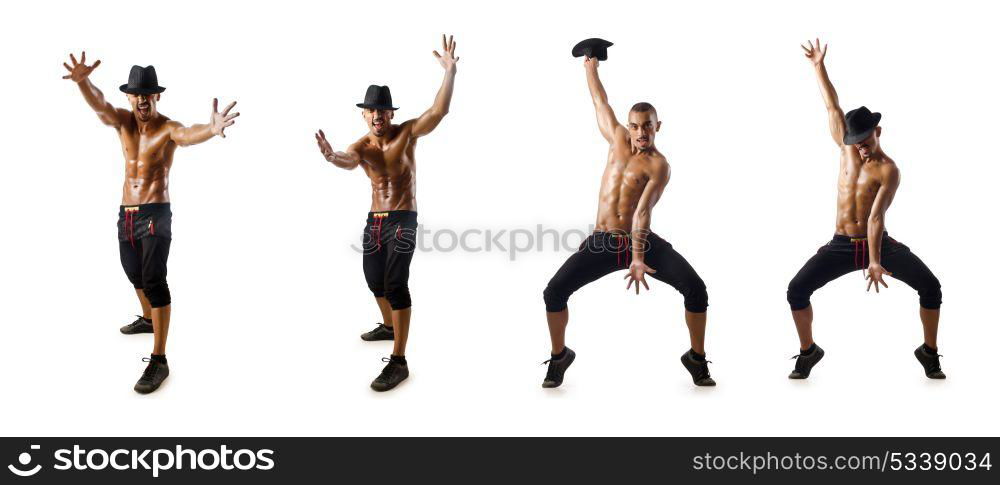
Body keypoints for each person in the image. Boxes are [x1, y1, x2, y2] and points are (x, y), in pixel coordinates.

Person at [540, 41, 714, 389]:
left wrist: (637, 257)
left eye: (647, 126)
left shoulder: (659, 165)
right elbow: (599, 102)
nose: (639, 133)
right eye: (635, 125)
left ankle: (696, 358)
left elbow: (642, 214)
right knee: (553, 292)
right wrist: (590, 67)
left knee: (696, 289)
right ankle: (559, 356)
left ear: (657, 126)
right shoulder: (616, 139)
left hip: (641, 241)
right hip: (603, 241)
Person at [64, 52, 239, 393]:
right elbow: (100, 106)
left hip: (155, 214)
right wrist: (84, 82)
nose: (142, 99)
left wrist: (212, 128)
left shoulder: (168, 128)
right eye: (136, 93)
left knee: (154, 280)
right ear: (129, 97)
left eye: (147, 93)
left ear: (157, 95)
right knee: (133, 273)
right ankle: (147, 319)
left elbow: (189, 134)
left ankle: (159, 360)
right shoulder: (123, 122)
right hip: (126, 213)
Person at [786, 39, 944, 380]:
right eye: (856, 146)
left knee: (931, 287)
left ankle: (929, 352)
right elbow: (832, 106)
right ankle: (807, 351)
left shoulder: (889, 169)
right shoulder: (846, 150)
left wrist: (874, 260)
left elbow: (875, 217)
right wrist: (818, 67)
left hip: (879, 244)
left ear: (879, 133)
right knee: (796, 290)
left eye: (867, 144)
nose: (862, 152)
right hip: (841, 244)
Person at [315, 35, 459, 392]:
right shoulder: (360, 146)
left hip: (402, 219)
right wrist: (332, 157)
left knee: (395, 284)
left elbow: (438, 111)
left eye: (383, 110)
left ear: (391, 113)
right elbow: (348, 161)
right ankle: (389, 324)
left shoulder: (406, 133)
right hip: (374, 221)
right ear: (364, 114)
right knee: (373, 280)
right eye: (371, 111)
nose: (377, 116)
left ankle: (399, 361)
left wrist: (450, 73)